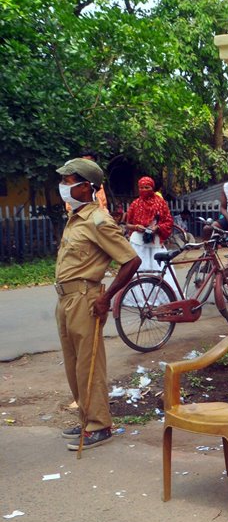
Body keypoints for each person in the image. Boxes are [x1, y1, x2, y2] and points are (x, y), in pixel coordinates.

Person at [55, 158, 141, 450]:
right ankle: (86, 419)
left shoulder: (99, 221)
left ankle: (99, 425)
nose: (64, 186)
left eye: (69, 181)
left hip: (85, 299)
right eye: (64, 180)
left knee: (89, 364)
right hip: (65, 298)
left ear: (86, 187)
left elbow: (131, 260)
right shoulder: (75, 218)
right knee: (73, 364)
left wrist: (107, 297)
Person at [124, 176, 175, 273]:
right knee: (138, 271)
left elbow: (169, 221)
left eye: (147, 187)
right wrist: (136, 227)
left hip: (155, 243)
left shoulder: (160, 203)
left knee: (159, 271)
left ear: (152, 188)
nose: (144, 190)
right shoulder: (135, 204)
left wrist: (158, 227)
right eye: (141, 188)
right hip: (137, 243)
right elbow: (127, 224)